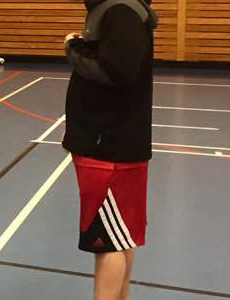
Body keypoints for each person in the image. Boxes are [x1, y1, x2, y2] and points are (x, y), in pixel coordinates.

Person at [62, 0, 157, 299]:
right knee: (121, 236)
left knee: (108, 241)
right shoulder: (119, 9)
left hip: (107, 146)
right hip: (115, 143)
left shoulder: (119, 11)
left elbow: (117, 72)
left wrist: (73, 50)